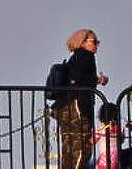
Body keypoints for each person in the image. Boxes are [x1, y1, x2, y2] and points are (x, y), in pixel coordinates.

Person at [53, 28, 109, 169]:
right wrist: (98, 79)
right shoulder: (86, 56)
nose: (97, 45)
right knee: (82, 146)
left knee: (68, 147)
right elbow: (78, 78)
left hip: (64, 106)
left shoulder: (75, 57)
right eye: (94, 42)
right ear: (83, 42)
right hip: (77, 106)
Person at [94, 103, 125, 169]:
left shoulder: (101, 128)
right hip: (116, 158)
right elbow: (121, 141)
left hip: (104, 158)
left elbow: (93, 141)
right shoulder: (119, 128)